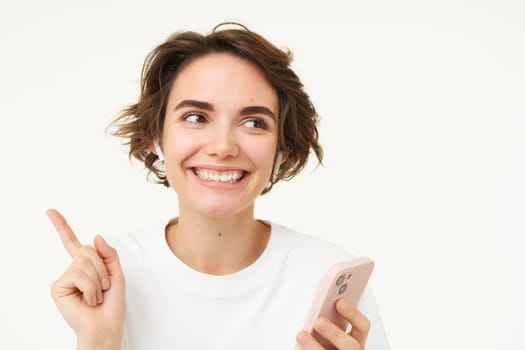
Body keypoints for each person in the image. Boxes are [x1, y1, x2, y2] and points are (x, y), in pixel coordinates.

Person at [48, 22, 390, 350]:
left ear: (281, 150)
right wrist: (98, 344)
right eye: (196, 117)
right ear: (155, 136)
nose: (222, 146)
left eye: (254, 122)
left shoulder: (325, 274)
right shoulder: (104, 279)